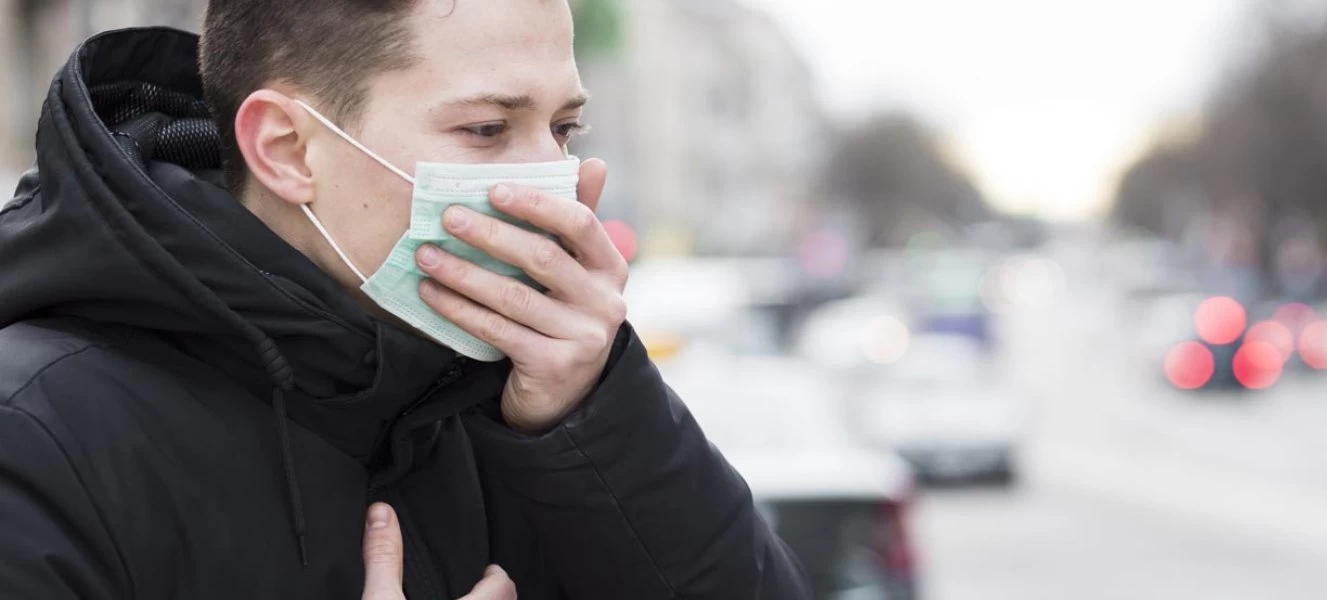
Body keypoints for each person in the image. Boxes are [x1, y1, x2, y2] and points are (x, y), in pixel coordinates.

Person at [0, 1, 811, 598]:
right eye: (489, 130)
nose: (551, 184)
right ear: (287, 149)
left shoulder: (519, 391)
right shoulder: (36, 436)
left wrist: (592, 414)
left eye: (563, 129)